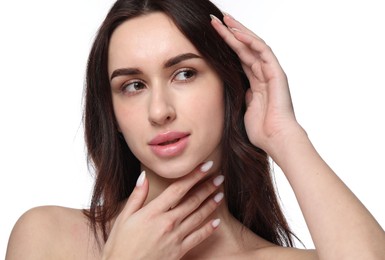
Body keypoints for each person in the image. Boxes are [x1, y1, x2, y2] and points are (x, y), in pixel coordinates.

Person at [6, 0, 385, 259]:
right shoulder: (48, 237)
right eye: (133, 86)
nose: (159, 111)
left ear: (229, 87)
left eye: (184, 74)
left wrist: (284, 136)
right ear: (114, 116)